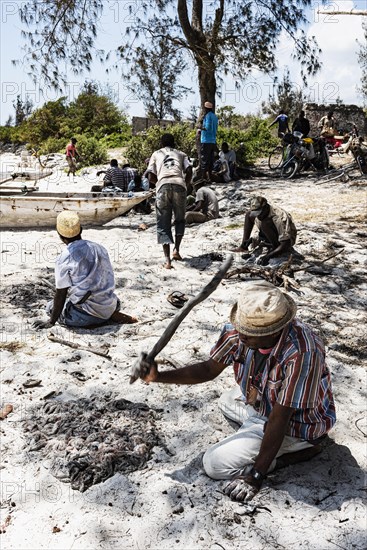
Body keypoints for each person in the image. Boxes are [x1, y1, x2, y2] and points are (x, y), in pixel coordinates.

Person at [136, 280, 336, 502]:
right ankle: (254, 432)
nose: (242, 336)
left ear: (275, 331)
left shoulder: (302, 352)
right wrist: (158, 377)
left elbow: (280, 418)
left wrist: (255, 476)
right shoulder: (238, 331)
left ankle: (301, 450)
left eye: (251, 333)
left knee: (213, 464)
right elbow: (208, 369)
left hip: (295, 424)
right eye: (242, 329)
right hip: (262, 404)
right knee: (226, 400)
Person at [33, 211, 137, 329]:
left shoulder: (64, 258)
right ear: (81, 230)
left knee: (50, 307)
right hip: (111, 304)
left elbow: (61, 293)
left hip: (85, 315)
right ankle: (108, 314)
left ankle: (96, 318)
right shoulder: (99, 248)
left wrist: (51, 321)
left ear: (60, 235)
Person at [147, 133, 192, 269]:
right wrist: (186, 184)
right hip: (179, 184)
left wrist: (158, 183)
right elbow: (189, 170)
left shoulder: (155, 154)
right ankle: (176, 250)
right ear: (174, 144)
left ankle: (167, 261)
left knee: (163, 222)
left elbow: (150, 176)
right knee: (179, 219)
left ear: (161, 144)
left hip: (163, 186)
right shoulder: (181, 154)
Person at [232, 196, 297, 265]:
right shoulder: (261, 214)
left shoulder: (278, 217)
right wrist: (251, 240)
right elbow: (261, 232)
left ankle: (274, 248)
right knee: (249, 215)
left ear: (265, 208)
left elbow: (285, 244)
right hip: (270, 233)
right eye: (256, 213)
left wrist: (268, 256)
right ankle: (243, 247)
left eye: (259, 213)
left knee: (265, 223)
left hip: (285, 240)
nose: (258, 216)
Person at [198, 101, 218, 181]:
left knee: (204, 160)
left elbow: (208, 127)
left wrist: (200, 128)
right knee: (210, 159)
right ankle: (210, 177)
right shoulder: (215, 117)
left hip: (206, 140)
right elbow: (215, 128)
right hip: (213, 141)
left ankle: (203, 178)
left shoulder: (207, 116)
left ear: (206, 108)